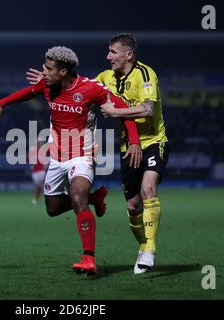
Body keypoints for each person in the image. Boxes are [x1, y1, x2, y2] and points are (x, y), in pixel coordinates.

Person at [0, 46, 142, 275]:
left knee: (77, 196)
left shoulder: (91, 89)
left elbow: (122, 109)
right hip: (58, 157)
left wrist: (133, 141)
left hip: (82, 154)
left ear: (63, 71)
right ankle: (95, 198)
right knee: (52, 209)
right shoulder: (47, 85)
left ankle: (88, 258)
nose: (44, 72)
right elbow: (28, 93)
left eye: (48, 68)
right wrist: (2, 102)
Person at [26, 34, 169, 274]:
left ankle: (149, 250)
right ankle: (143, 245)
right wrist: (51, 78)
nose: (108, 56)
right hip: (126, 146)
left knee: (148, 189)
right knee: (133, 205)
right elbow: (78, 86)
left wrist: (116, 113)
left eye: (113, 52)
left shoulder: (145, 74)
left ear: (128, 55)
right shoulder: (105, 77)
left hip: (153, 140)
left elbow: (148, 109)